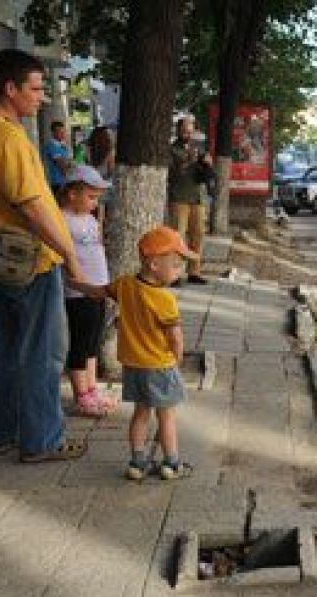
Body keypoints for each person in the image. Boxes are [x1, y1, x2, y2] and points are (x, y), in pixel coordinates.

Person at [0, 48, 88, 463]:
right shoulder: (7, 137)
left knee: (5, 349)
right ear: (10, 88)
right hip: (28, 261)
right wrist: (70, 254)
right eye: (35, 88)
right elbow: (32, 206)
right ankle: (41, 440)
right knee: (42, 352)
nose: (42, 96)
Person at [100, 226, 196, 480]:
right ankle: (171, 463)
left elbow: (102, 291)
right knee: (166, 416)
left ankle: (137, 462)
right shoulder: (164, 299)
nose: (180, 271)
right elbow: (175, 336)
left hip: (133, 365)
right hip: (159, 365)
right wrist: (177, 359)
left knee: (140, 413)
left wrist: (74, 281)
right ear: (154, 264)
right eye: (176, 265)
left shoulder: (125, 285)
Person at [59, 165, 116, 417]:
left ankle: (92, 389)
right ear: (72, 194)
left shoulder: (90, 219)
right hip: (78, 293)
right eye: (91, 197)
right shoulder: (61, 220)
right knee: (80, 344)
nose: (95, 203)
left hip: (98, 290)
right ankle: (81, 395)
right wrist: (80, 282)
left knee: (93, 342)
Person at [166, 117, 210, 285]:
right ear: (178, 130)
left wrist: (206, 163)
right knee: (177, 236)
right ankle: (174, 273)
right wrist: (189, 160)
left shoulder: (197, 148)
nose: (188, 134)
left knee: (198, 235)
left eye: (190, 131)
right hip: (179, 197)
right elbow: (171, 173)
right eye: (185, 131)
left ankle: (194, 271)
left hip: (197, 197)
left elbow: (202, 172)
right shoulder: (171, 150)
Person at [42, 121, 72, 201]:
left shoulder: (62, 145)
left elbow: (69, 161)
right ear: (53, 133)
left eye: (63, 131)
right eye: (59, 132)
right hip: (57, 182)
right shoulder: (52, 146)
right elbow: (61, 165)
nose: (62, 134)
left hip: (64, 181)